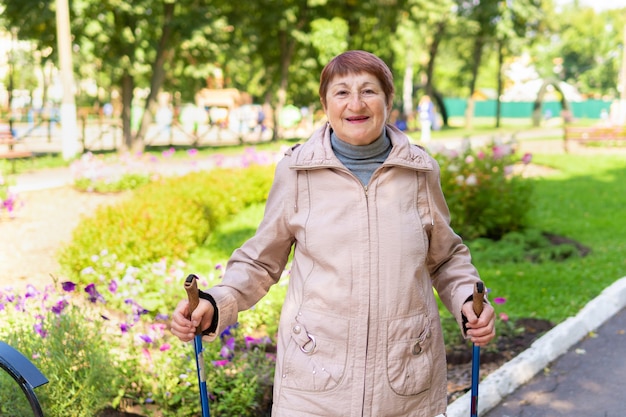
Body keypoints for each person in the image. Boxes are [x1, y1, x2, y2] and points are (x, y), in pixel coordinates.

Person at [171, 50, 496, 417]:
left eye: (368, 91)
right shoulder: (296, 172)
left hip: (404, 380)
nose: (355, 104)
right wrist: (216, 303)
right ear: (325, 103)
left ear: (388, 100)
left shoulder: (419, 172)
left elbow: (446, 257)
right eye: (341, 92)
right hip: (315, 382)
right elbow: (261, 262)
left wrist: (469, 300)